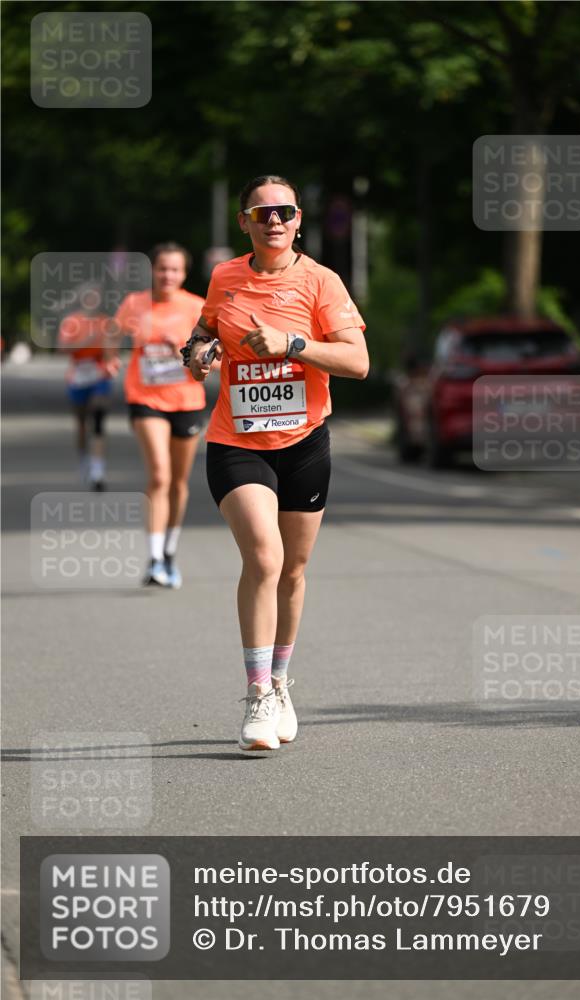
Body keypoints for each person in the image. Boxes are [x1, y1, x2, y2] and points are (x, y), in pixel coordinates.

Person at [183, 174, 369, 751]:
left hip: (305, 441)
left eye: (284, 212)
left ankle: (283, 681)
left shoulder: (321, 281)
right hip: (237, 441)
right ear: (244, 222)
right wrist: (197, 353)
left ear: (298, 220)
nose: (274, 221)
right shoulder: (225, 277)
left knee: (292, 570)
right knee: (264, 557)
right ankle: (258, 695)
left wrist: (292, 345)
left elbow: (358, 361)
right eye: (261, 213)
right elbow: (202, 333)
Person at [114, 243, 208, 588]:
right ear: (151, 271)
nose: (167, 275)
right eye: (161, 269)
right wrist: (110, 357)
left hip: (187, 400)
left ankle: (169, 552)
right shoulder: (135, 304)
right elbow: (114, 333)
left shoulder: (198, 307)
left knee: (178, 483)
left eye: (175, 270)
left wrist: (184, 348)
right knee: (159, 476)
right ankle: (154, 560)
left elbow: (213, 356)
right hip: (145, 397)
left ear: (184, 274)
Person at [58, 283, 118, 491]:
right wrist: (87, 341)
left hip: (99, 374)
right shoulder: (72, 322)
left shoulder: (106, 321)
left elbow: (112, 349)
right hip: (78, 376)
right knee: (83, 424)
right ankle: (84, 459)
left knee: (99, 419)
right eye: (88, 297)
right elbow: (62, 348)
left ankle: (98, 470)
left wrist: (110, 358)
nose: (92, 300)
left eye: (96, 297)